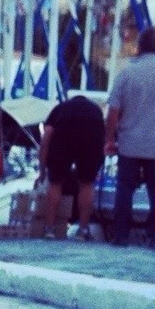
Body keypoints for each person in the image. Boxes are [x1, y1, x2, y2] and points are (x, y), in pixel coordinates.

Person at [103, 26, 155, 247]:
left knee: (125, 189)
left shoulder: (127, 73)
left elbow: (113, 111)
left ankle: (121, 235)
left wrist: (109, 139)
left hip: (130, 143)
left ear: (139, 47)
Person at [36, 93, 105, 240]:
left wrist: (42, 171)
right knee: (86, 183)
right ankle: (83, 230)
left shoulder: (60, 109)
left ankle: (49, 230)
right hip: (92, 133)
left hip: (63, 134)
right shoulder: (95, 110)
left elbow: (46, 138)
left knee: (56, 183)